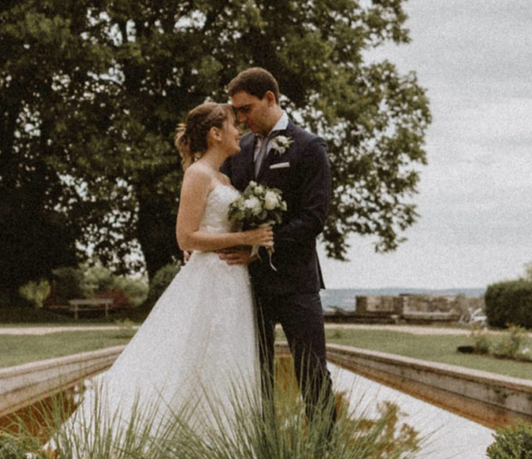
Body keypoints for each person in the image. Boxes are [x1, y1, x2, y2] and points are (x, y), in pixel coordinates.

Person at [55, 101, 273, 451]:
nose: (239, 130)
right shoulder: (198, 174)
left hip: (234, 282)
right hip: (207, 281)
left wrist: (250, 245)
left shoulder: (225, 179)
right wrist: (245, 237)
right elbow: (186, 238)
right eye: (233, 124)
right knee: (188, 360)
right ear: (215, 134)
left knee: (224, 361)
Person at [218, 67, 335, 424]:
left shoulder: (309, 147)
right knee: (256, 374)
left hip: (297, 282)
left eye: (246, 109)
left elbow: (313, 218)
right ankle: (263, 443)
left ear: (270, 98)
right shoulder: (238, 150)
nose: (241, 118)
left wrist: (258, 247)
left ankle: (325, 447)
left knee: (312, 372)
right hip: (248, 284)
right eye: (237, 111)